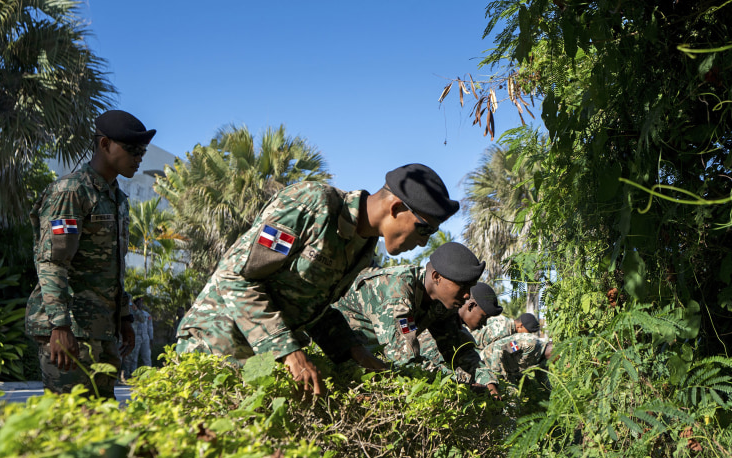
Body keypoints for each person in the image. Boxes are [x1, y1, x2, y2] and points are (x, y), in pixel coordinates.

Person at [176, 163, 460, 396]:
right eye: (424, 230)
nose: (424, 244)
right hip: (216, 343)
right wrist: (288, 351)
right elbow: (234, 276)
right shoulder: (313, 204)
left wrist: (354, 352)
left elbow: (315, 310)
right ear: (396, 208)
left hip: (261, 359)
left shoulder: (362, 247)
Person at [25, 110, 155, 399]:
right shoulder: (72, 191)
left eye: (142, 152)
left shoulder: (116, 198)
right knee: (69, 425)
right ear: (105, 144)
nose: (139, 158)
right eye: (132, 149)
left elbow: (114, 265)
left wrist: (124, 318)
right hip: (69, 329)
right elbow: (52, 260)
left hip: (102, 330)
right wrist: (59, 325)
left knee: (102, 426)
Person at [310, 242, 501, 397]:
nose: (468, 296)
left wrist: (487, 380)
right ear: (436, 277)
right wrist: (461, 384)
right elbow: (405, 361)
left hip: (368, 358)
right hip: (333, 353)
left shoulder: (444, 302)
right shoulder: (396, 290)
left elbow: (458, 349)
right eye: (463, 287)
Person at [475, 312, 552, 383]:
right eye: (529, 332)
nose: (530, 334)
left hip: (498, 363)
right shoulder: (503, 329)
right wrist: (497, 376)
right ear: (520, 326)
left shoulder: (515, 337)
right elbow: (498, 348)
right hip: (479, 355)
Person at [122, 297, 153, 378]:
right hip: (135, 336)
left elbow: (149, 326)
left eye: (141, 302)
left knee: (146, 357)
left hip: (145, 336)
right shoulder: (128, 311)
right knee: (133, 358)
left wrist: (151, 338)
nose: (140, 304)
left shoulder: (145, 314)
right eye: (138, 302)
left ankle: (149, 376)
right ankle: (132, 376)